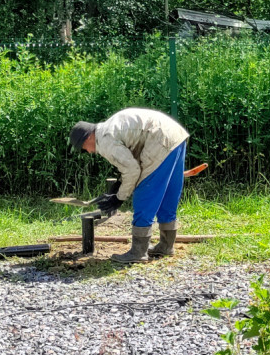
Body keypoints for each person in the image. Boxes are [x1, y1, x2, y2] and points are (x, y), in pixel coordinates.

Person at [69, 108, 189, 263]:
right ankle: (166, 246)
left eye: (84, 149)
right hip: (175, 136)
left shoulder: (104, 139)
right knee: (167, 195)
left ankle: (138, 253)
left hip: (160, 141)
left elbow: (132, 170)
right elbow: (131, 158)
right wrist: (119, 185)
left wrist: (119, 198)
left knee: (144, 195)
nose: (89, 152)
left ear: (87, 138)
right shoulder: (110, 127)